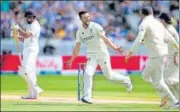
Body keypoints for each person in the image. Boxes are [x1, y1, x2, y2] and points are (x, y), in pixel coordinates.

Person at [66, 11, 132, 104]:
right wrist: (72, 59)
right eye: (85, 17)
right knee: (88, 74)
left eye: (88, 16)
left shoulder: (95, 26)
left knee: (109, 76)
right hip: (91, 56)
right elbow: (77, 47)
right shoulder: (79, 31)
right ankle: (87, 97)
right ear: (81, 19)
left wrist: (115, 48)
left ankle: (126, 79)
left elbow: (105, 39)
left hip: (102, 54)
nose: (88, 18)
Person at [125, 6, 179, 109]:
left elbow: (138, 39)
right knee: (146, 76)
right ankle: (166, 96)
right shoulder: (158, 23)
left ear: (142, 14)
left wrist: (130, 53)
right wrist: (177, 47)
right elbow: (168, 37)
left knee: (158, 82)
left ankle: (173, 101)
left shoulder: (144, 24)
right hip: (159, 55)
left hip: (156, 56)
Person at [10, 9, 43, 99]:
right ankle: (31, 93)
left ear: (34, 17)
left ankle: (36, 88)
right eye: (27, 17)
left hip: (32, 49)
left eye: (30, 17)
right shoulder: (29, 25)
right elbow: (25, 38)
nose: (28, 19)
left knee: (27, 69)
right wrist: (16, 36)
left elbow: (27, 35)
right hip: (26, 49)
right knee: (23, 71)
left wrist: (18, 29)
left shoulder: (35, 26)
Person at [158, 12, 179, 107]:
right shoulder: (168, 29)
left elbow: (176, 44)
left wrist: (175, 56)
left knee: (168, 80)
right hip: (172, 57)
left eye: (160, 20)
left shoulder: (169, 30)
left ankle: (175, 101)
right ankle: (177, 102)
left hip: (174, 57)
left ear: (163, 20)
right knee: (170, 81)